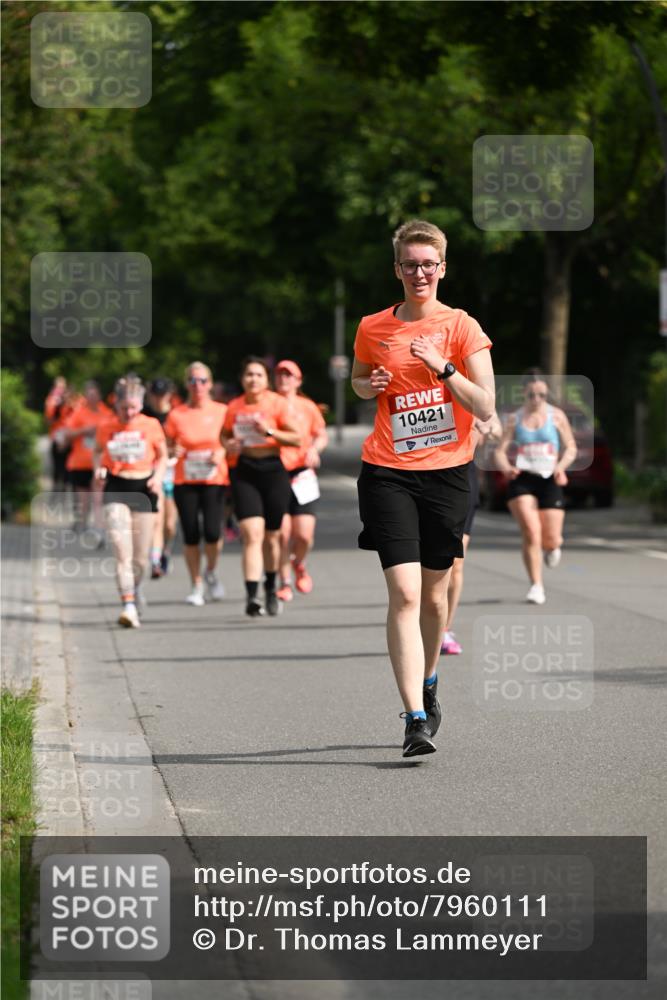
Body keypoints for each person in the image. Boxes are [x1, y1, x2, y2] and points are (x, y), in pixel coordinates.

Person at [351, 219, 494, 757]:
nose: (418, 273)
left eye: (427, 264)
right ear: (397, 269)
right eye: (409, 264)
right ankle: (414, 717)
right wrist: (371, 385)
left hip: (448, 473)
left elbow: (484, 406)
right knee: (405, 593)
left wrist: (445, 369)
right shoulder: (372, 327)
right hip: (387, 471)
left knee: (435, 596)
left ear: (441, 268)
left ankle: (430, 681)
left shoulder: (461, 326)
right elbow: (360, 380)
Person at [221, 357, 301, 617]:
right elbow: (224, 435)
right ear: (242, 379)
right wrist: (228, 445)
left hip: (273, 471)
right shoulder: (234, 406)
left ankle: (270, 588)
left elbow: (296, 437)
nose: (252, 379)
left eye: (258, 375)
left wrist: (270, 432)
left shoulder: (276, 403)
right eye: (248, 375)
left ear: (266, 380)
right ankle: (251, 595)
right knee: (251, 533)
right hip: (245, 470)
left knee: (272, 536)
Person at [494, 369, 577, 605]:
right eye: (532, 395)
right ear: (524, 393)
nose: (537, 399)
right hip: (523, 478)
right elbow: (500, 451)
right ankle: (536, 585)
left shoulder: (557, 416)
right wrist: (506, 468)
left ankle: (552, 548)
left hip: (550, 478)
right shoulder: (515, 418)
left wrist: (561, 467)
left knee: (551, 539)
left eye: (541, 394)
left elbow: (570, 447)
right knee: (531, 532)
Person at [94, 375, 167, 628]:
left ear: (141, 405)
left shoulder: (151, 425)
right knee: (120, 549)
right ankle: (127, 605)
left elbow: (163, 454)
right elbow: (97, 452)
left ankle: (136, 590)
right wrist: (99, 469)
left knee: (140, 559)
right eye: (124, 408)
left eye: (134, 408)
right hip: (117, 486)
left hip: (144, 487)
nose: (129, 413)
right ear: (116, 404)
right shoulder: (106, 426)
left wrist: (158, 477)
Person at [164, 362, 228, 606]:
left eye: (202, 381)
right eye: (192, 381)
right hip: (185, 479)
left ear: (210, 384)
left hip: (214, 478)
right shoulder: (176, 414)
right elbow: (165, 444)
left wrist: (221, 452)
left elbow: (231, 441)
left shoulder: (222, 411)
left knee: (212, 532)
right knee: (191, 534)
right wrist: (173, 448)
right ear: (186, 384)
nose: (197, 385)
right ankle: (196, 584)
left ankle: (211, 570)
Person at [441, 412, 503, 655]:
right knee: (424, 562)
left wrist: (489, 429)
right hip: (423, 476)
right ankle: (423, 618)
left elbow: (495, 428)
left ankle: (445, 629)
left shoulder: (472, 391)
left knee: (455, 562)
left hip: (462, 479)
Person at [273, 360, 329, 601]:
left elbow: (321, 434)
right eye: (280, 374)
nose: (284, 379)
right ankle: (284, 581)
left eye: (289, 375)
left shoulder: (307, 407)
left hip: (303, 475)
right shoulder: (269, 404)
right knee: (282, 534)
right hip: (276, 474)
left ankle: (300, 564)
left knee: (304, 535)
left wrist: (315, 450)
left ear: (298, 380)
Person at [63, 381, 112, 540]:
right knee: (83, 500)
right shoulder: (78, 413)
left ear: (99, 395)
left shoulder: (107, 413)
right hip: (80, 462)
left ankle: (99, 529)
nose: (92, 397)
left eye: (94, 394)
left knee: (98, 498)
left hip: (100, 463)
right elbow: (67, 434)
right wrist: (84, 431)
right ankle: (82, 525)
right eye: (88, 395)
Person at [143, 377, 178, 577]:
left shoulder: (176, 415)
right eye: (155, 394)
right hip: (153, 472)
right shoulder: (144, 415)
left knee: (170, 524)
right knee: (157, 518)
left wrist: (176, 449)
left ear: (169, 394)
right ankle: (155, 561)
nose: (158, 399)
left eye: (162, 394)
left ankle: (166, 551)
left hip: (173, 472)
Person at [44, 377, 77, 490]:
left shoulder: (72, 401)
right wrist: (57, 407)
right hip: (57, 438)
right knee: (57, 470)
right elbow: (48, 420)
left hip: (70, 439)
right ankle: (56, 494)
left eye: (62, 387)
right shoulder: (51, 401)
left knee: (68, 470)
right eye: (58, 387)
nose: (60, 390)